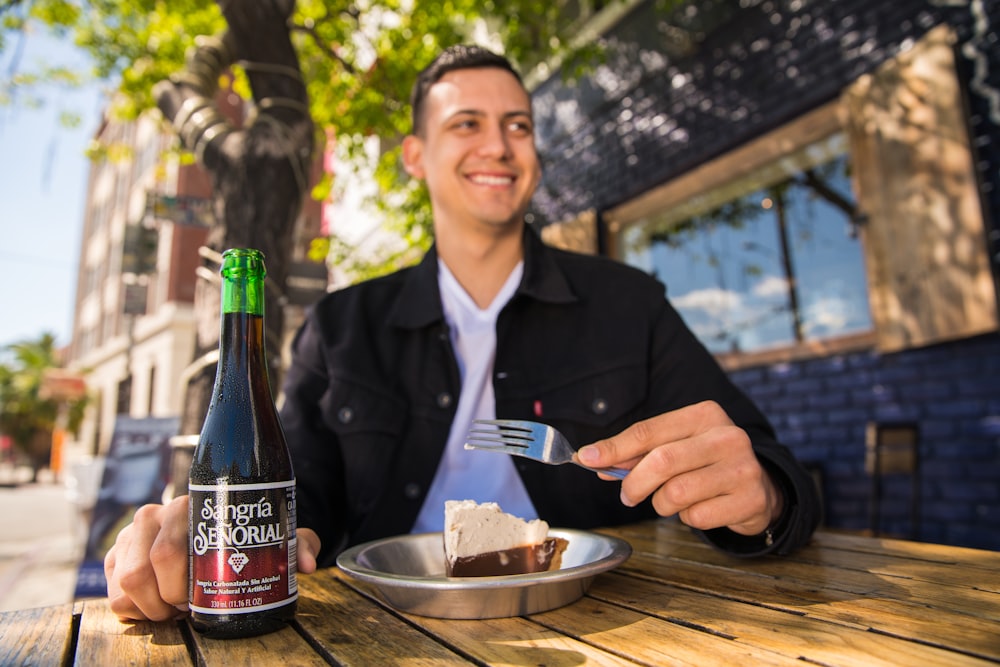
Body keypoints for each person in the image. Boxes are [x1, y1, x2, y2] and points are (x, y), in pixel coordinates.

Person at [105, 44, 822, 622]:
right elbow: (301, 491)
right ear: (415, 156)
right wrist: (236, 528)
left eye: (518, 125)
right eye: (466, 124)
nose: (499, 146)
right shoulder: (343, 325)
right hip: (378, 625)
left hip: (608, 622)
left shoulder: (627, 303)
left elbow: (770, 470)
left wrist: (763, 497)